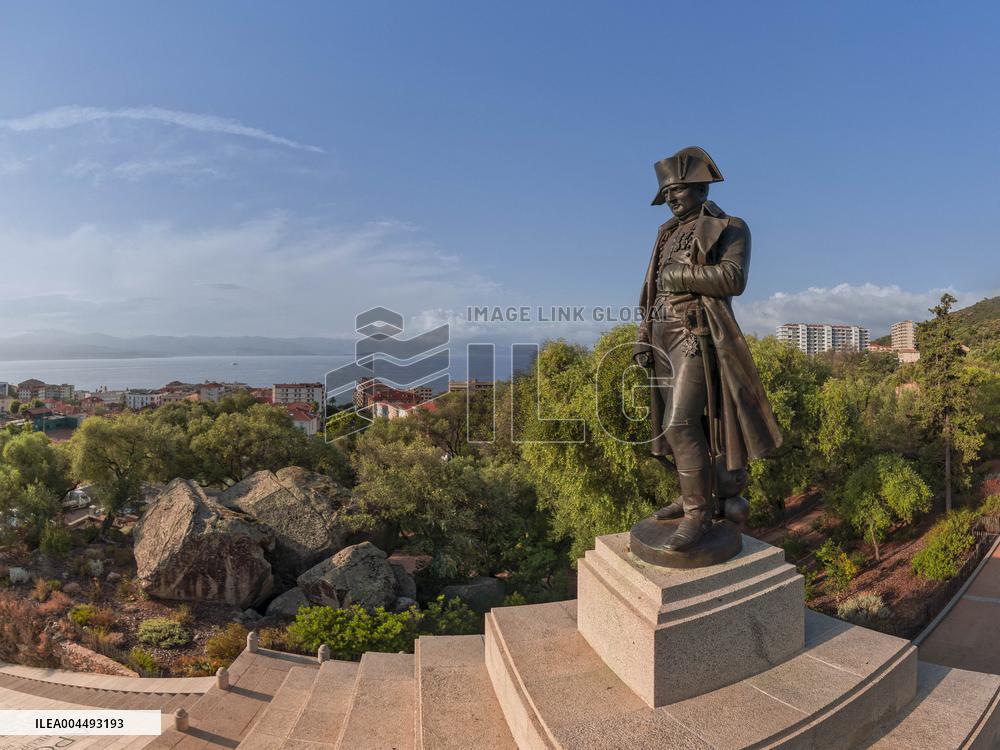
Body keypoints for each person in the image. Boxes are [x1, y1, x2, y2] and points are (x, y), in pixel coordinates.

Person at [633, 146, 782, 551]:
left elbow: (733, 278)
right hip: (662, 334)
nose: (670, 199)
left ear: (699, 187)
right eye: (665, 194)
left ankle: (698, 515)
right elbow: (650, 290)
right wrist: (643, 334)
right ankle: (689, 496)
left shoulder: (730, 226)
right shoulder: (664, 233)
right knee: (676, 426)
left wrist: (682, 275)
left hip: (696, 336)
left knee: (681, 423)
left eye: (677, 191)